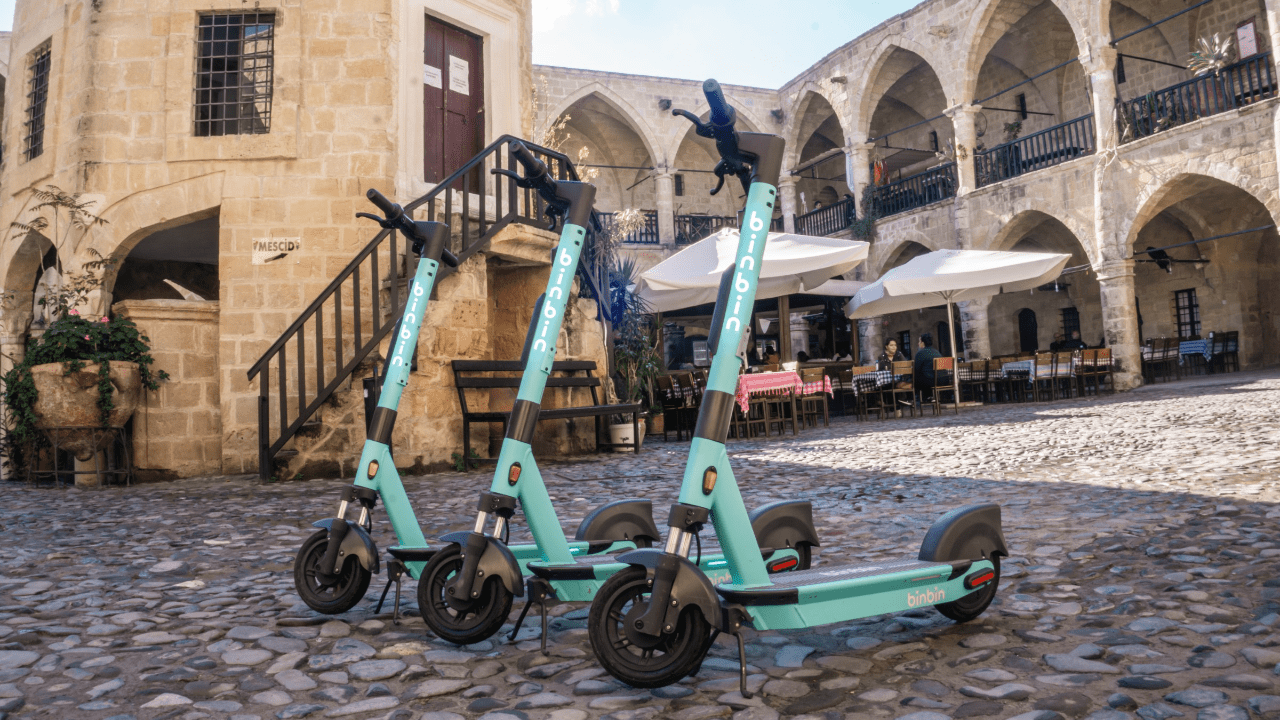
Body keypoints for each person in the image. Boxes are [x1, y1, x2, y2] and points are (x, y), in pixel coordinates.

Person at [913, 333, 942, 400]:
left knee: (917, 380)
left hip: (931, 382)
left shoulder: (920, 353)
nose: (918, 343)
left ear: (922, 343)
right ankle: (930, 397)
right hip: (943, 380)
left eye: (919, 341)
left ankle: (922, 398)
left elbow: (916, 370)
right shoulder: (937, 352)